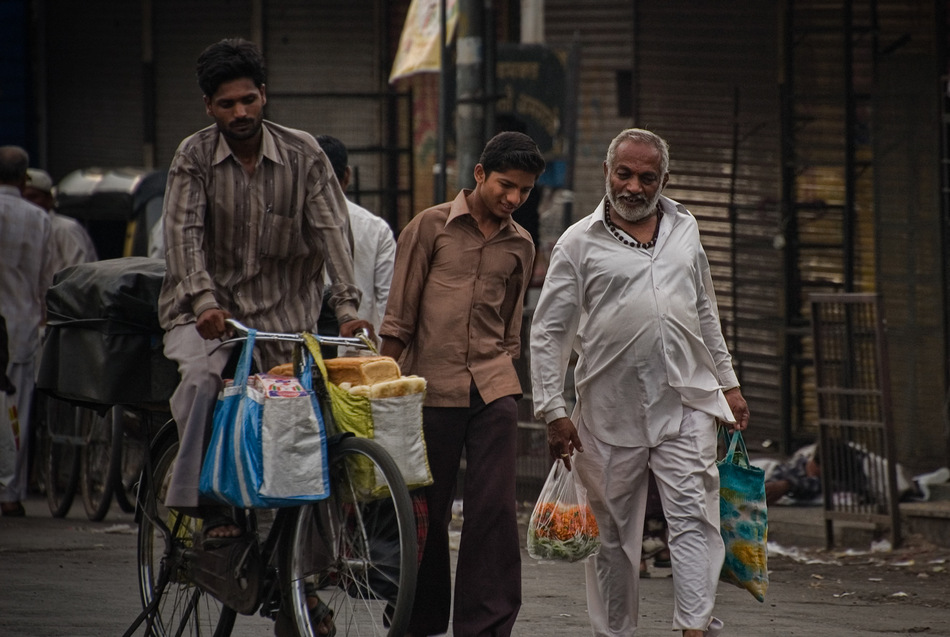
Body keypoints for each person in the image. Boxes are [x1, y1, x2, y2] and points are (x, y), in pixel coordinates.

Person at [529, 128, 751, 637]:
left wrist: (729, 383)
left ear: (663, 180)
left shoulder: (685, 229)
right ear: (607, 173)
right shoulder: (577, 243)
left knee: (696, 517)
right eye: (623, 174)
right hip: (607, 413)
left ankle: (694, 628)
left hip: (687, 399)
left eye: (646, 177)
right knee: (612, 538)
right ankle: (616, 632)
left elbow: (705, 310)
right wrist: (554, 410)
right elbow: (549, 332)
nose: (633, 187)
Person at [158, 38, 370, 547]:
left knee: (310, 428)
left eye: (249, 100)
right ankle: (208, 507)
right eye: (227, 104)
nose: (241, 112)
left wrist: (346, 309)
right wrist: (205, 302)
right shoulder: (193, 157)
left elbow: (332, 235)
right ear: (209, 107)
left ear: (264, 95)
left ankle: (306, 585)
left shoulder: (304, 154)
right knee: (203, 381)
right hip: (204, 316)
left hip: (283, 321)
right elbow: (183, 237)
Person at [379, 131, 545, 637]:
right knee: (423, 509)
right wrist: (382, 388)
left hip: (493, 391)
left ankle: (486, 626)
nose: (513, 198)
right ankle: (417, 618)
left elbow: (511, 329)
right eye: (505, 185)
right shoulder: (430, 228)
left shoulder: (521, 244)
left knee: (492, 511)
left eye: (524, 191)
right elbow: (399, 318)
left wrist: (506, 376)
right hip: (431, 389)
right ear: (479, 174)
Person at [0, 146, 54, 517]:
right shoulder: (38, 218)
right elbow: (45, 278)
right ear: (23, 179)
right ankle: (10, 491)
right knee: (15, 408)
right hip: (20, 324)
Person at [315, 134, 396, 341]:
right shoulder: (376, 229)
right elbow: (390, 305)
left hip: (302, 350)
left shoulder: (289, 223)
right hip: (357, 351)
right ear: (347, 175)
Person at [23, 168, 98, 274]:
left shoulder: (65, 228)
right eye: (22, 197)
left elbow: (79, 272)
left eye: (32, 197)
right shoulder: (19, 227)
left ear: (49, 199)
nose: (27, 203)